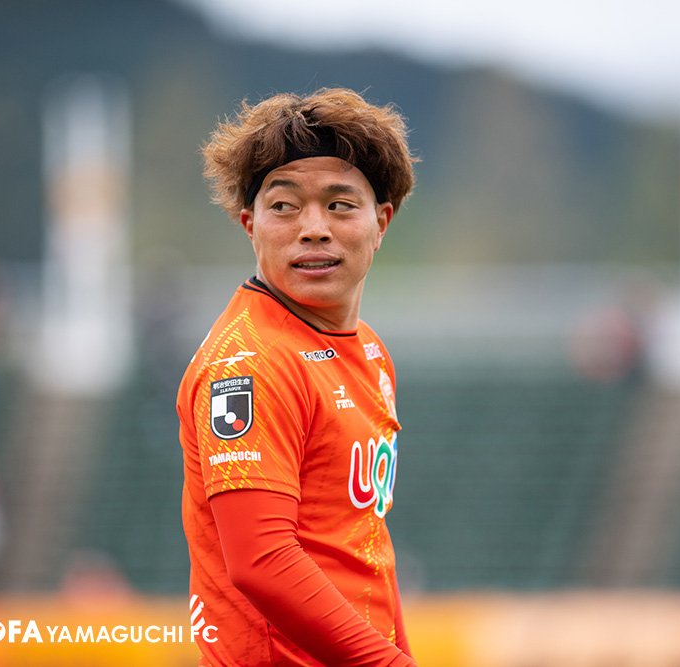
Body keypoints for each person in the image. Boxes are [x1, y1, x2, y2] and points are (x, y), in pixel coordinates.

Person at [177, 88, 418, 667]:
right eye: (284, 206)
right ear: (250, 225)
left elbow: (367, 545)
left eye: (340, 204)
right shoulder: (250, 363)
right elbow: (261, 562)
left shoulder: (370, 351)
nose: (313, 228)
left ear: (381, 222)